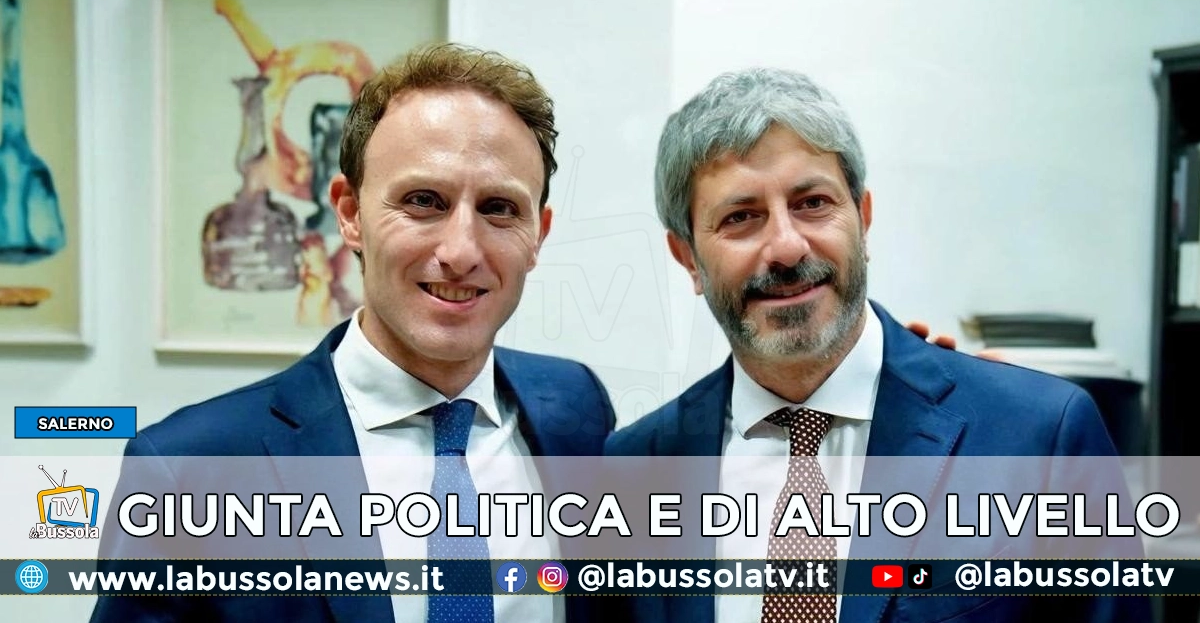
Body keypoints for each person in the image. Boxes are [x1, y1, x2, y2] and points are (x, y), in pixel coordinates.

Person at [91, 43, 614, 623]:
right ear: (349, 213)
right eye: (424, 201)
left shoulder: (578, 410)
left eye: (499, 208)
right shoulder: (188, 469)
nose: (461, 251)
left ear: (537, 234)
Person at [604, 68, 1147, 622]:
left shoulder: (1039, 437)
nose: (787, 248)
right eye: (741, 217)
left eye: (813, 203)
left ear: (863, 220)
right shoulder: (631, 472)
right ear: (688, 258)